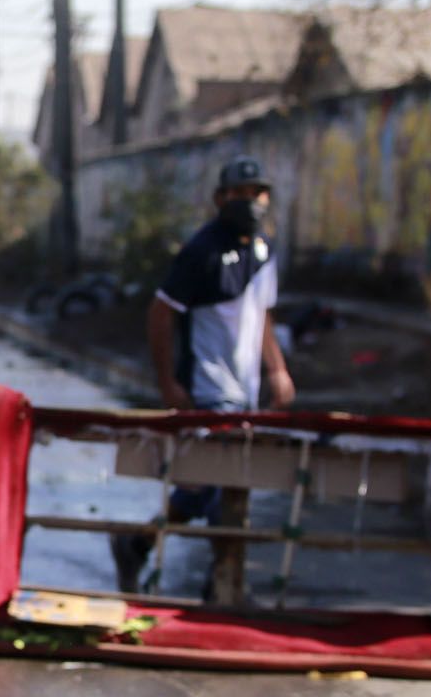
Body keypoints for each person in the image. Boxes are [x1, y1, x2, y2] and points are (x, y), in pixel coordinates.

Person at [111, 155, 295, 597]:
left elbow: (261, 315)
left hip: (246, 387)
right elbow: (161, 314)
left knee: (215, 485)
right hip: (209, 388)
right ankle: (221, 582)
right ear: (220, 198)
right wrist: (169, 382)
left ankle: (140, 544)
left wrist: (277, 369)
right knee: (215, 483)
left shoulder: (263, 250)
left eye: (257, 193)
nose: (249, 202)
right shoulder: (202, 252)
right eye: (239, 194)